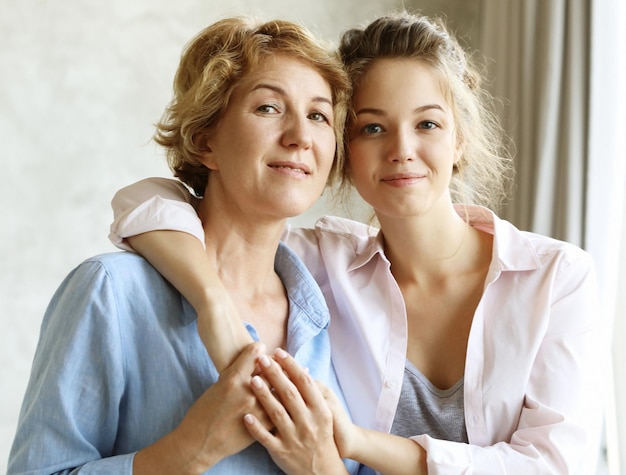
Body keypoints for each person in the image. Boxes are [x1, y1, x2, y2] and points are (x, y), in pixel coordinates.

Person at [104, 11, 602, 475]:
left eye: (427, 123)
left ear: (460, 140)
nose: (402, 150)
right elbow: (149, 201)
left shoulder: (555, 276)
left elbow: (554, 465)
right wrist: (212, 304)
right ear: (344, 149)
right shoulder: (317, 264)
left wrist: (353, 442)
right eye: (373, 127)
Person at [8, 16, 361, 475]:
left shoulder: (341, 310)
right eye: (269, 108)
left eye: (318, 115)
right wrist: (190, 450)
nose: (300, 137)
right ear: (203, 141)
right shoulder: (110, 294)